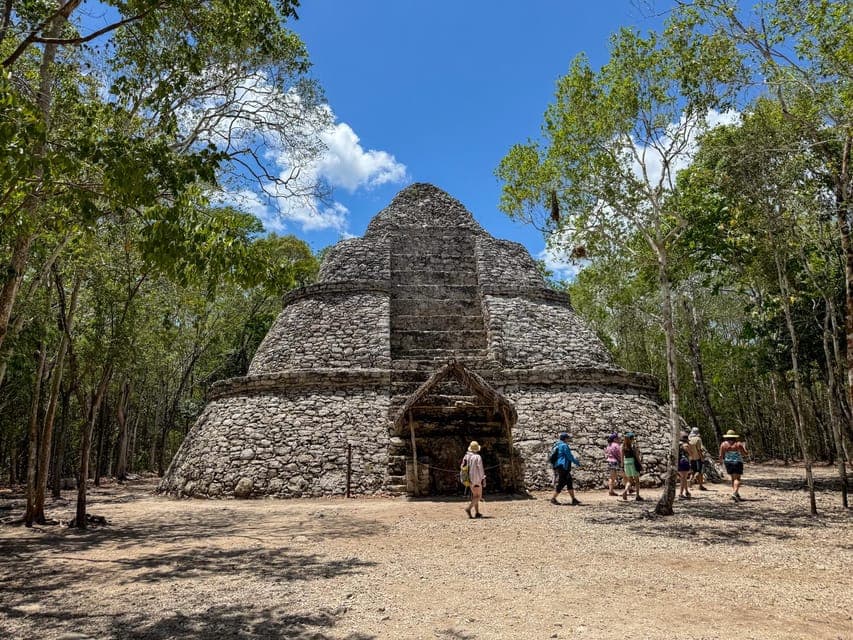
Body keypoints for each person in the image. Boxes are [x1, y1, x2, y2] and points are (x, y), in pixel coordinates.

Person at [550, 432, 581, 505]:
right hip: (563, 465)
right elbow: (569, 456)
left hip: (558, 465)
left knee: (569, 481)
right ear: (565, 438)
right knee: (562, 482)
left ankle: (573, 499)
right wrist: (577, 462)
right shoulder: (564, 445)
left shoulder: (556, 445)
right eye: (567, 438)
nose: (568, 439)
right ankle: (553, 498)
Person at [719, 430, 749, 502]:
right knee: (737, 479)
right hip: (737, 462)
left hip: (728, 463)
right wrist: (745, 449)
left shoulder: (723, 444)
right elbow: (745, 454)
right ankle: (735, 493)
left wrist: (721, 463)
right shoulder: (738, 444)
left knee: (733, 478)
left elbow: (721, 455)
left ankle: (736, 493)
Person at [462, 441, 486, 518]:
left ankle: (477, 512)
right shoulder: (477, 457)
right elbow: (480, 469)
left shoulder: (466, 456)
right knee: (478, 496)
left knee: (475, 495)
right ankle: (468, 508)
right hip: (476, 479)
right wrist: (483, 478)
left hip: (469, 479)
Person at [620, 431, 643, 501]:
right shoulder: (633, 447)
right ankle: (637, 495)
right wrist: (640, 464)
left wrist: (622, 466)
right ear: (631, 439)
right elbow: (637, 457)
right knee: (637, 480)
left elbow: (622, 458)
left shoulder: (623, 446)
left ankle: (625, 491)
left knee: (630, 480)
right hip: (633, 463)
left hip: (626, 463)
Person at [687, 426, 707, 491]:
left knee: (692, 471)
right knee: (699, 472)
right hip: (698, 457)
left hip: (691, 458)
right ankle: (700, 485)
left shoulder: (689, 439)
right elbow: (699, 450)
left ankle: (690, 485)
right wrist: (702, 457)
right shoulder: (698, 439)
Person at [678, 433, 692, 499]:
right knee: (683, 478)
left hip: (678, 462)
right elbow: (690, 453)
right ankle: (680, 493)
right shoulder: (686, 445)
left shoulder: (678, 444)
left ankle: (686, 491)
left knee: (683, 478)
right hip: (684, 461)